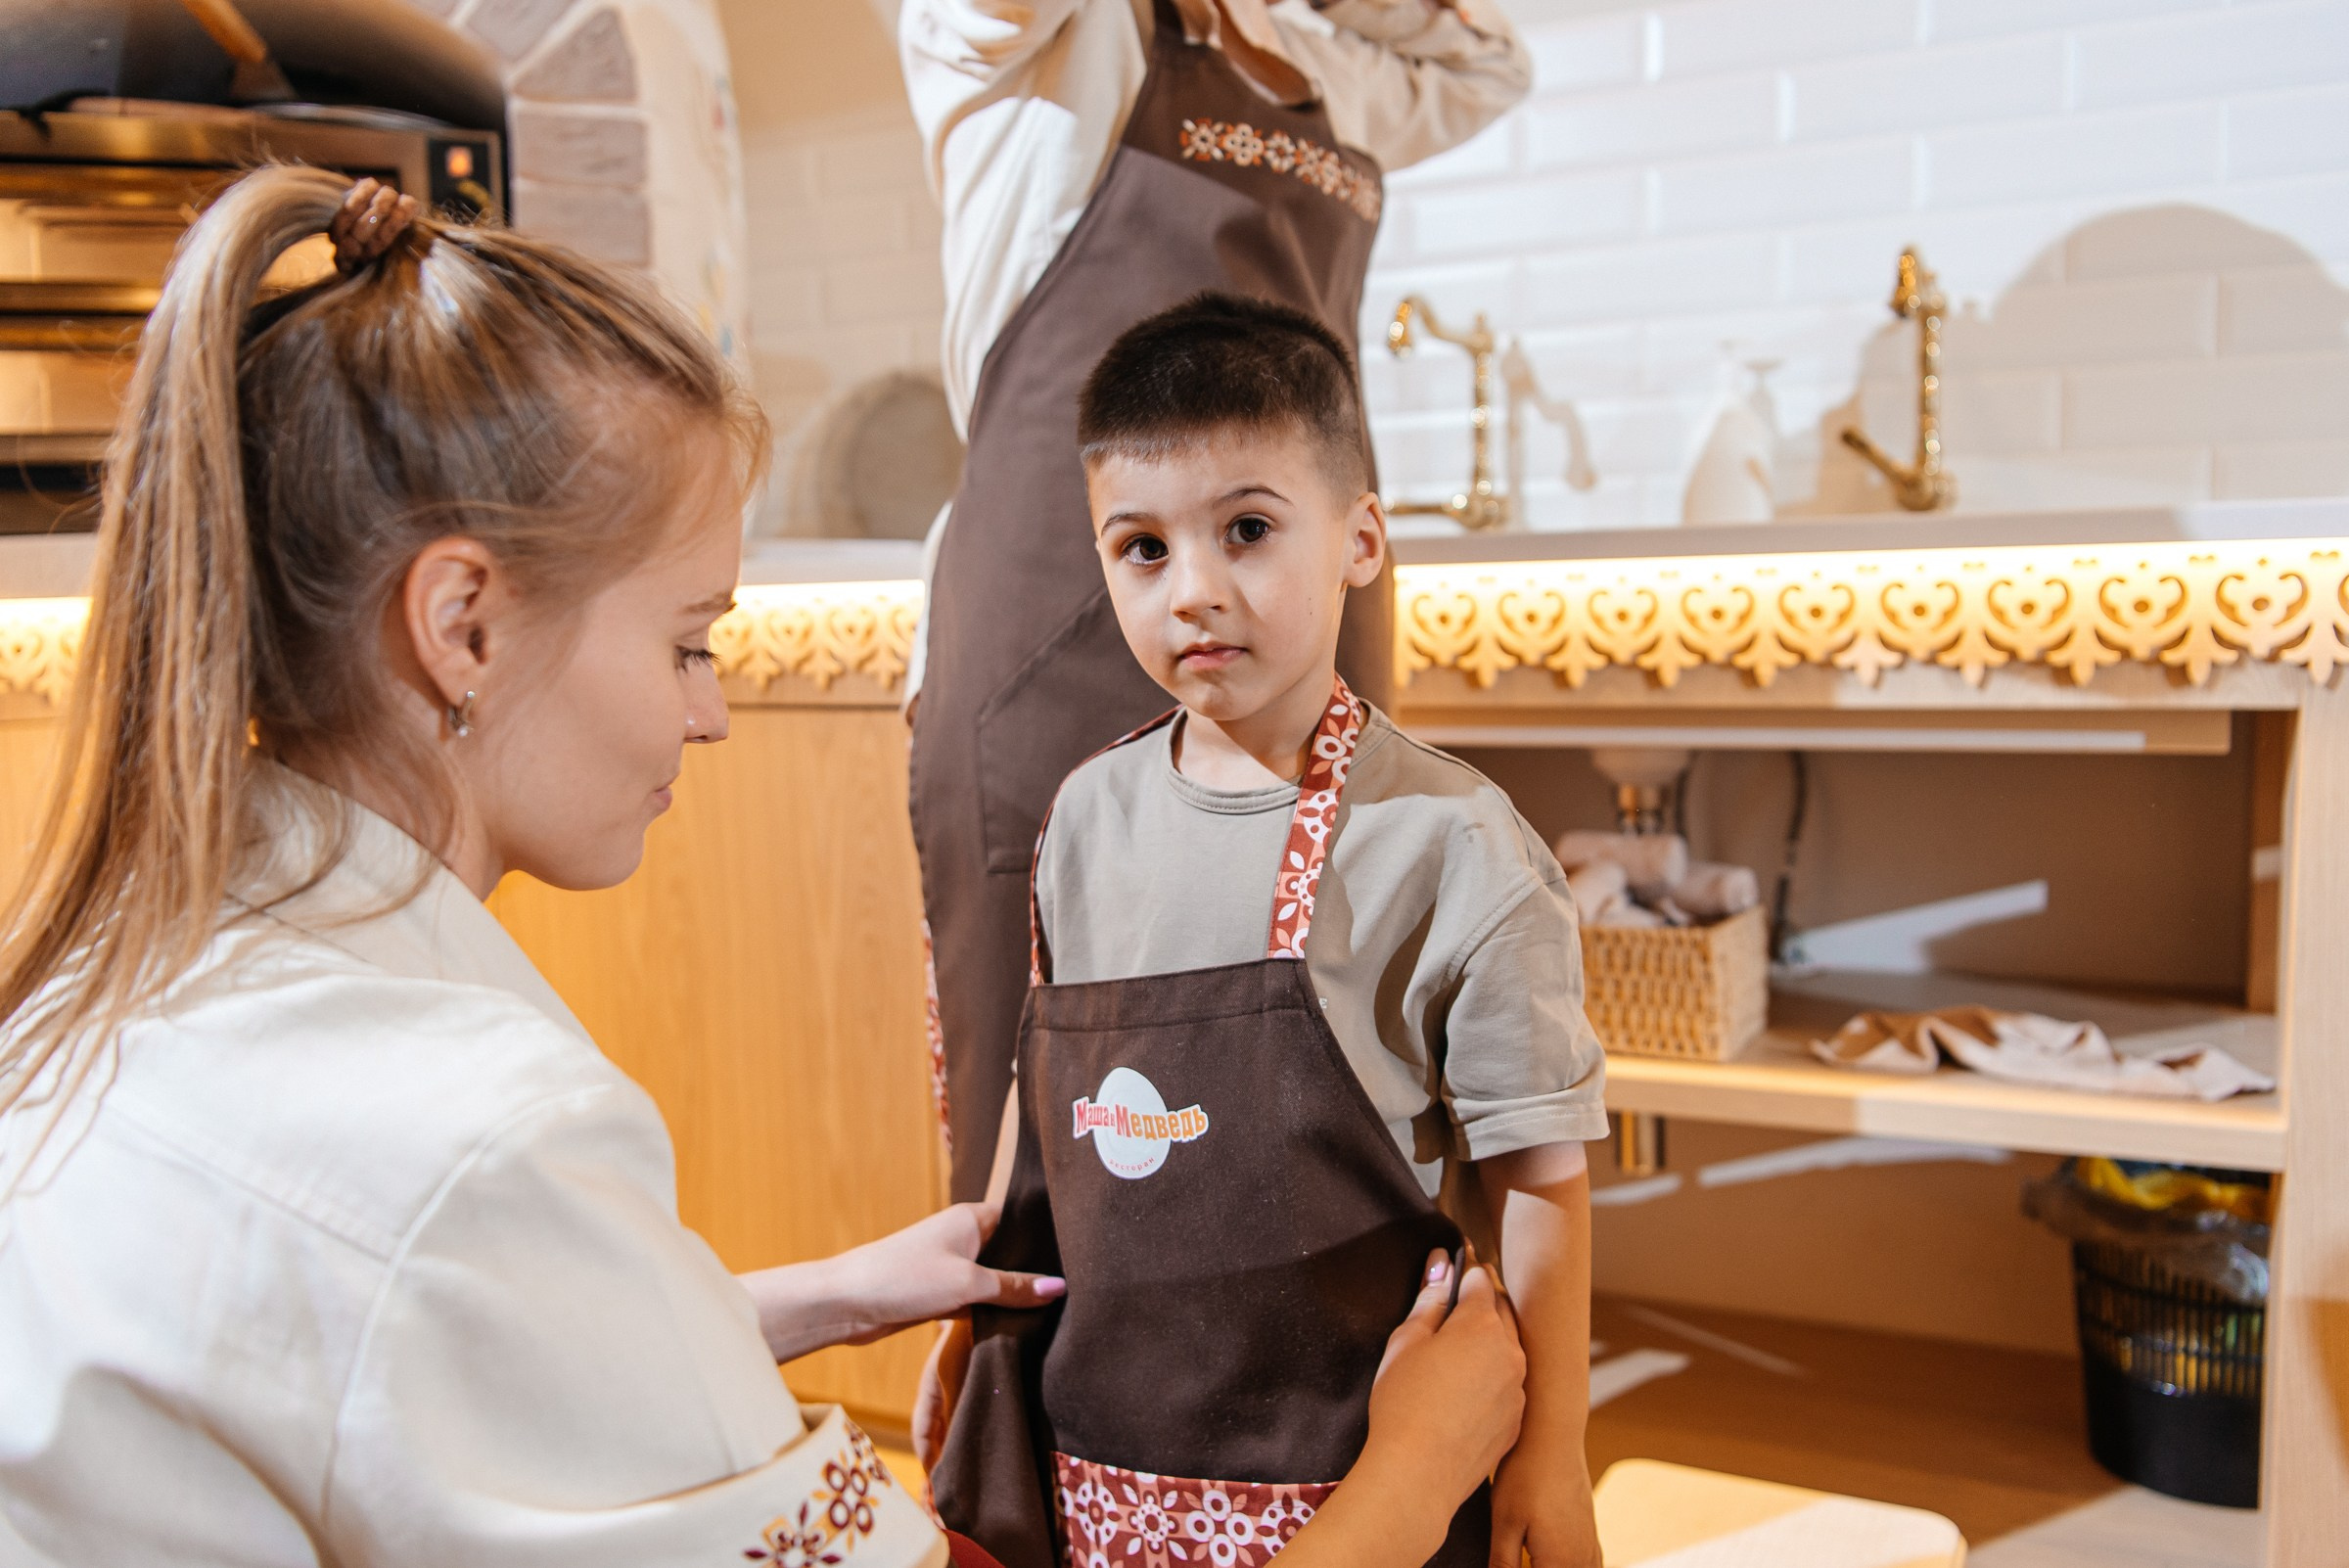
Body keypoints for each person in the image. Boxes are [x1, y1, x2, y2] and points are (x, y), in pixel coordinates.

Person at [0, 171, 1526, 1568]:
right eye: (687, 641)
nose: (711, 711)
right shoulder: (483, 1135)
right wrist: (1416, 1468)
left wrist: (808, 1299)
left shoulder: (107, 981)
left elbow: (393, 1351)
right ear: (463, 625)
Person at [926, 295, 1607, 1568]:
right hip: (1101, 1469)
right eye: (1142, 547)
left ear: (1360, 541)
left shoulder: (1455, 845)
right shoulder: (1082, 818)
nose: (1193, 591)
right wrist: (976, 1313)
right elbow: (1042, 1107)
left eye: (1246, 530)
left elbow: (1539, 1175)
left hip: (1367, 1477)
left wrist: (1552, 1444)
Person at [899, 0, 1535, 1206]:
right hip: (1065, 633)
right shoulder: (1045, 41)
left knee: (1319, 1065)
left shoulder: (1316, 53)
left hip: (1307, 633)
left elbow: (1486, 64)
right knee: (1057, 1139)